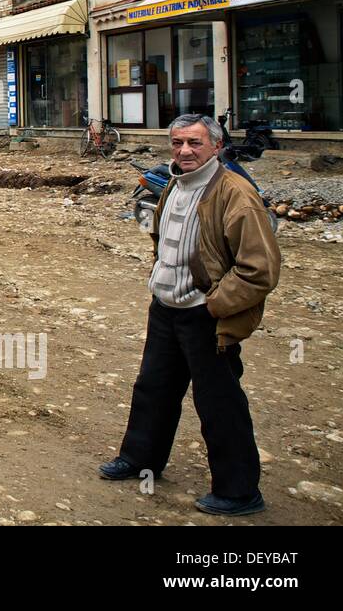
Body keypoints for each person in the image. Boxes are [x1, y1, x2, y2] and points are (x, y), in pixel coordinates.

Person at [100, 114, 280, 516]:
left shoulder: (236, 194)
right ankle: (140, 459)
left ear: (216, 147)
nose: (184, 151)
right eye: (178, 142)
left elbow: (260, 269)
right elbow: (166, 242)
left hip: (207, 316)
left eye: (195, 143)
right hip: (166, 309)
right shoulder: (174, 185)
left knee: (219, 402)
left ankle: (238, 491)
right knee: (154, 388)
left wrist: (215, 305)